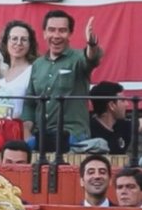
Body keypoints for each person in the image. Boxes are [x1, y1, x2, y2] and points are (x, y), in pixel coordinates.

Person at [24, 11, 103, 147]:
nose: (56, 35)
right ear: (44, 33)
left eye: (62, 30)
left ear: (70, 34)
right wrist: (26, 135)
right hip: (40, 135)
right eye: (51, 30)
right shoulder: (38, 64)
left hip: (71, 134)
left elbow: (92, 58)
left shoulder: (78, 58)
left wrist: (91, 43)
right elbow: (30, 103)